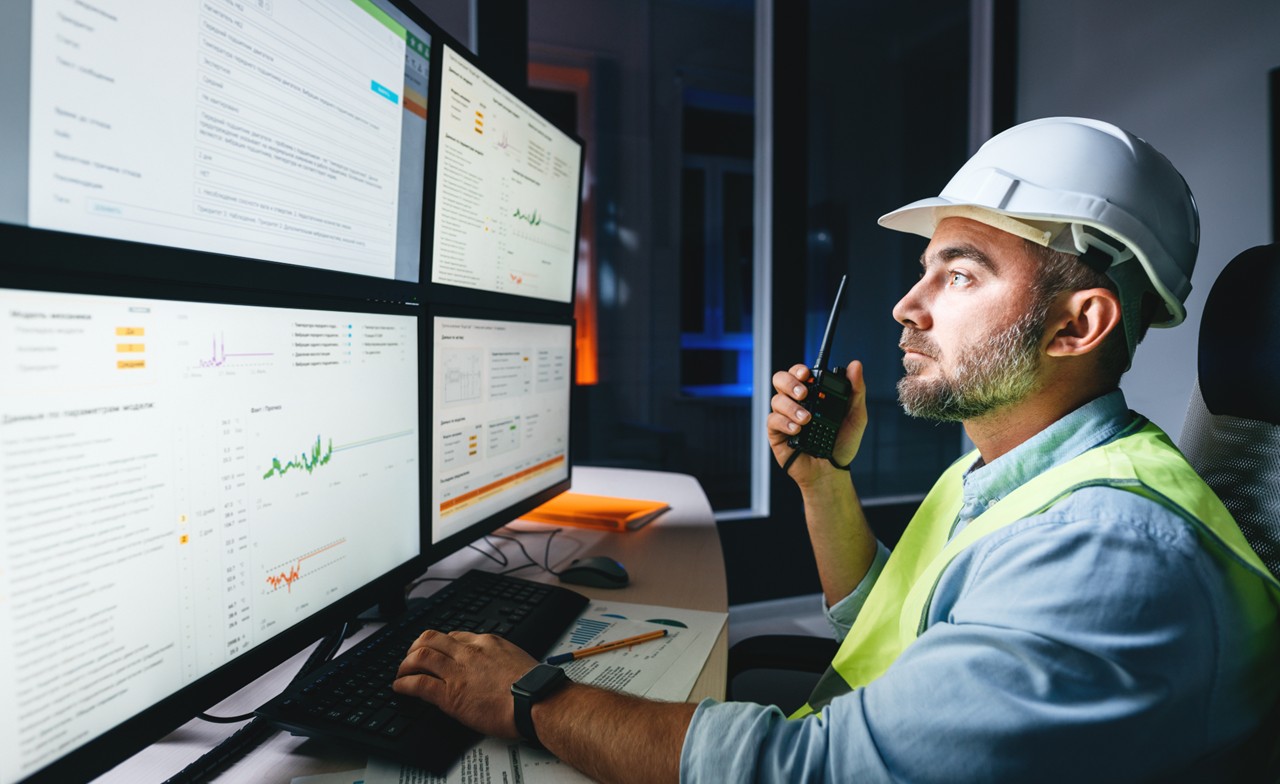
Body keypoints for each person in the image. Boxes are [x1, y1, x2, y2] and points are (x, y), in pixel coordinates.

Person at [393, 117, 1280, 782]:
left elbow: (806, 773)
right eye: (924, 268)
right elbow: (887, 625)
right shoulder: (1011, 471)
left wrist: (528, 695)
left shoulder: (1107, 553)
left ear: (1077, 323)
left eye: (960, 273)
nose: (908, 305)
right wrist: (823, 480)